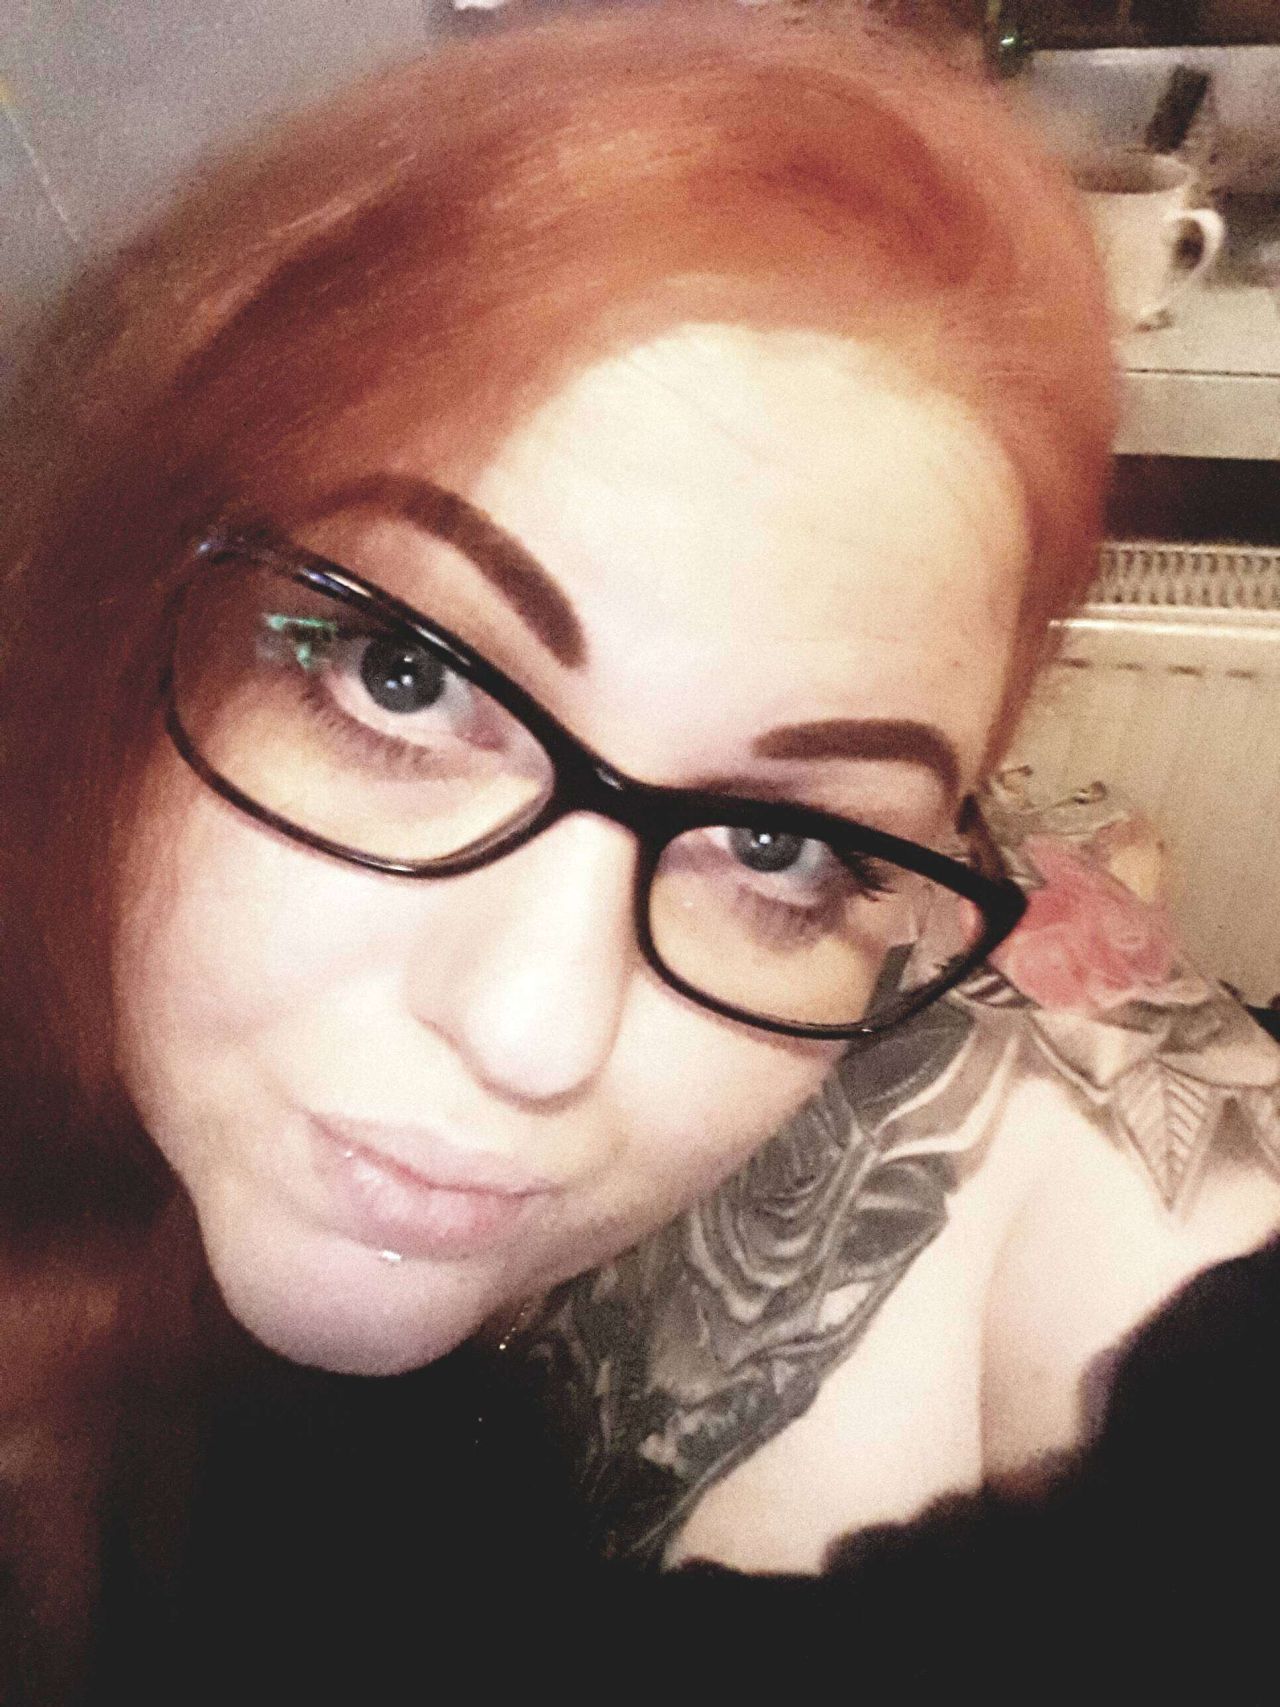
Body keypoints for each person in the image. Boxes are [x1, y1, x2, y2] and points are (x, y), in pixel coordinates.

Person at [1, 2, 1275, 1697]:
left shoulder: (359, 1460)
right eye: (405, 679)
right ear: (107, 582)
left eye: (776, 842)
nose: (538, 1036)